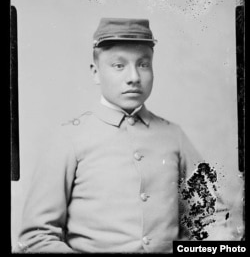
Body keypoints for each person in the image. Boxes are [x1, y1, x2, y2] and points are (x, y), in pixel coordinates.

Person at [14, 18, 233, 253]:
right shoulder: (69, 138)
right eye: (119, 66)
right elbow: (36, 237)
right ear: (95, 72)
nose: (134, 77)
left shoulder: (173, 135)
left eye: (143, 64)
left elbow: (212, 218)